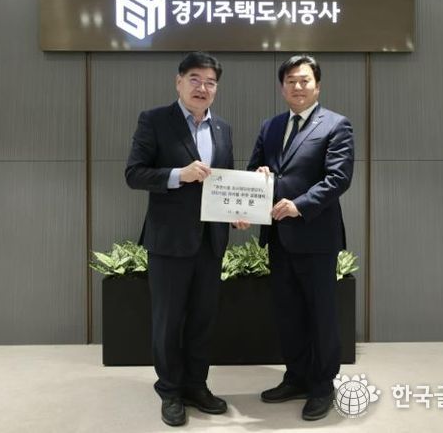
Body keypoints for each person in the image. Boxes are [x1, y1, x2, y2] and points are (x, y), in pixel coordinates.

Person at [125, 51, 244, 427]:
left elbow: (225, 181)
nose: (202, 88)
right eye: (194, 79)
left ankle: (196, 385)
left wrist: (237, 212)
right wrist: (179, 174)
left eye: (210, 82)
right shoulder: (154, 120)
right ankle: (170, 391)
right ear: (178, 82)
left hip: (211, 242)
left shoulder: (222, 128)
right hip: (169, 242)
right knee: (168, 321)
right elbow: (134, 173)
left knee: (202, 319)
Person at [246, 54, 354, 421]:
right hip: (279, 236)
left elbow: (338, 179)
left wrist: (299, 205)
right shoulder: (271, 126)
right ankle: (295, 377)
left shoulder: (336, 125)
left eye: (304, 80)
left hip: (316, 236)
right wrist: (259, 174)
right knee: (288, 311)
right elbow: (253, 170)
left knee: (321, 313)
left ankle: (322, 386)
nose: (298, 86)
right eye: (291, 80)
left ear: (317, 86)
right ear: (282, 88)